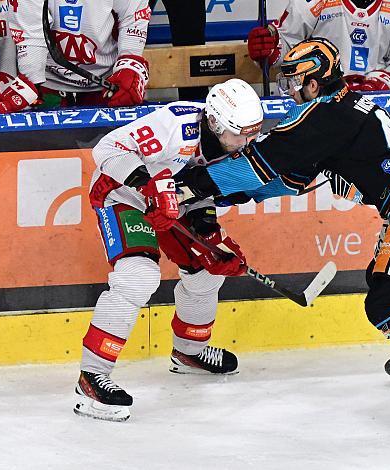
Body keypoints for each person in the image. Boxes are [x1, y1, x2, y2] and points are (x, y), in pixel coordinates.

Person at [177, 38, 390, 437]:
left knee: (387, 300)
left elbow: (260, 164)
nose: (289, 91)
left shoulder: (320, 120)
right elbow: (286, 180)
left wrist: (191, 184)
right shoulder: (333, 112)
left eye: (293, 82)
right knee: (388, 283)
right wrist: (222, 192)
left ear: (314, 83)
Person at [74, 78, 263, 422]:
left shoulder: (233, 149)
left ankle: (189, 352)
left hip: (176, 204)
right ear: (217, 123)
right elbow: (107, 150)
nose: (248, 142)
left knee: (208, 270)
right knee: (138, 277)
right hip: (121, 195)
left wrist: (209, 233)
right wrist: (146, 184)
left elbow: (204, 194)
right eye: (242, 134)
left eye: (253, 132)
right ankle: (92, 375)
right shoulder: (175, 126)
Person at [4, 0, 151, 112]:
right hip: (48, 87)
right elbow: (31, 30)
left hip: (107, 86)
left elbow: (133, 15)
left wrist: (130, 63)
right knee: (45, 150)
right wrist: (31, 79)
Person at [247, 0, 390, 92]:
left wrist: (381, 83)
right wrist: (269, 52)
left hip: (376, 104)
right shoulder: (311, 2)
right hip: (319, 100)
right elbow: (285, 46)